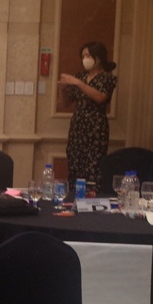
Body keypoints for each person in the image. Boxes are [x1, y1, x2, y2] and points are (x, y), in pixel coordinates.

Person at [59, 41, 117, 194]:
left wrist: (78, 83)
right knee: (75, 163)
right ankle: (74, 196)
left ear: (98, 58)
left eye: (88, 55)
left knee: (94, 165)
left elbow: (100, 97)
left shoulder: (107, 78)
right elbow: (65, 103)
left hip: (96, 126)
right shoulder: (80, 77)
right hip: (78, 125)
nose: (85, 59)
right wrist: (63, 89)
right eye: (83, 56)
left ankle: (92, 197)